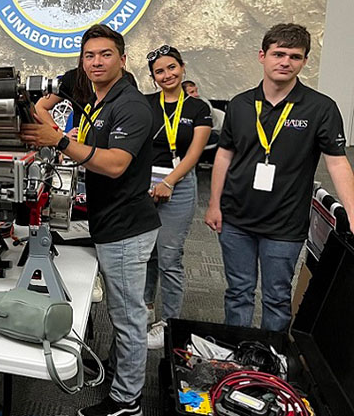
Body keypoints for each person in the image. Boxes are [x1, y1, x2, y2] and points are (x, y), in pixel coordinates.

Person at [22, 24, 160, 416]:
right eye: (89, 56)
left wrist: (61, 142)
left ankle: (126, 401)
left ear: (123, 58)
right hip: (110, 220)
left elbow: (115, 165)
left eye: (105, 54)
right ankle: (118, 374)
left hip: (126, 226)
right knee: (122, 312)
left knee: (127, 316)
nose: (96, 62)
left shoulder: (130, 105)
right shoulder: (101, 100)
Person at [205, 23, 354, 332]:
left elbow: (338, 164)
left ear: (304, 62)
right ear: (263, 56)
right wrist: (214, 204)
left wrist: (353, 213)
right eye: (279, 54)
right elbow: (224, 155)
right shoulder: (241, 104)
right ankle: (238, 361)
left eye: (295, 56)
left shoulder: (320, 108)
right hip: (235, 219)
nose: (286, 62)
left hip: (285, 225)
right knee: (238, 294)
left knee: (276, 298)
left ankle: (273, 369)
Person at [142, 46, 212, 349]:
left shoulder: (198, 108)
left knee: (170, 256)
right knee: (145, 252)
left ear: (182, 68)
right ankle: (145, 307)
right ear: (153, 76)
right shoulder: (145, 104)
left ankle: (169, 322)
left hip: (179, 183)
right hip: (146, 184)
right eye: (160, 71)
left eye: (172, 68)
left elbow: (195, 153)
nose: (167, 75)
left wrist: (169, 182)